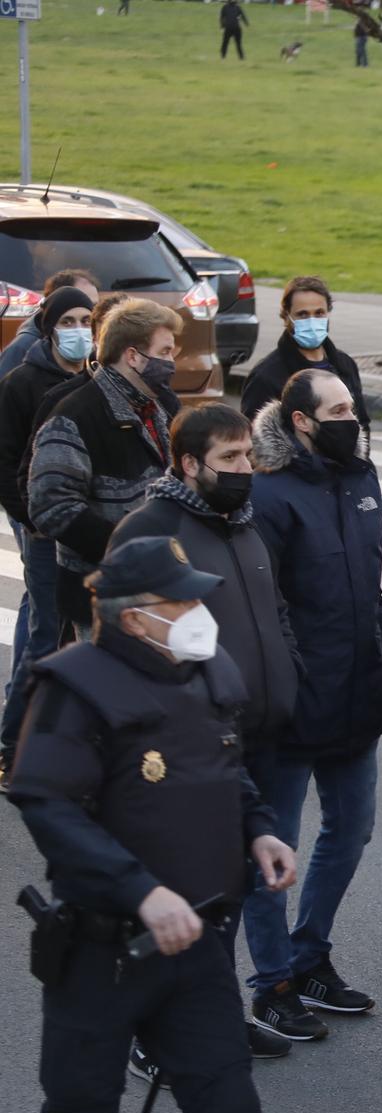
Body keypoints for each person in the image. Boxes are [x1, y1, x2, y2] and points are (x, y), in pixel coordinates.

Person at [6, 536, 335, 1113]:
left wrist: (260, 830)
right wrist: (141, 890)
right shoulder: (75, 686)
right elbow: (45, 802)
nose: (200, 614)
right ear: (136, 617)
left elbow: (228, 769)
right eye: (183, 602)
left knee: (228, 1107)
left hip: (199, 945)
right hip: (103, 948)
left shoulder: (206, 673)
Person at [108, 404, 302, 1062]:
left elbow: (274, 610)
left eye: (248, 455)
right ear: (189, 464)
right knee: (187, 889)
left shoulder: (245, 525)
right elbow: (123, 637)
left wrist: (290, 675)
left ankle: (214, 1012)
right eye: (230, 460)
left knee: (232, 892)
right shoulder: (151, 528)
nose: (246, 470)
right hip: (188, 741)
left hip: (258, 736)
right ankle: (154, 1032)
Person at [242, 371, 382, 1042]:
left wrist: (381, 653)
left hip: (357, 692)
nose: (351, 417)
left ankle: (309, 956)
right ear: (302, 421)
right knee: (278, 847)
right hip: (293, 704)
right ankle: (271, 982)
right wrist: (280, 688)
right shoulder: (269, 494)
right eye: (337, 410)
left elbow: (372, 583)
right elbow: (258, 607)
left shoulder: (363, 479)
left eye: (352, 408)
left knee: (352, 826)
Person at [28, 297, 182, 640]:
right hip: (102, 599)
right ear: (132, 356)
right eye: (166, 351)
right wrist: (125, 548)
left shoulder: (159, 405)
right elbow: (50, 505)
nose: (172, 362)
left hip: (158, 587)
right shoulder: (77, 413)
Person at [0, 285, 98, 779]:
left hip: (84, 533)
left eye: (86, 322)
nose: (79, 332)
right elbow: (5, 465)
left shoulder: (96, 381)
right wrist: (36, 521)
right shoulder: (21, 383)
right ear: (49, 326)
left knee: (82, 639)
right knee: (43, 637)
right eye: (69, 322)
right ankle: (10, 747)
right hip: (43, 535)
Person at [239, 276, 372, 432]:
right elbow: (256, 438)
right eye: (302, 314)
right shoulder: (266, 375)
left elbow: (361, 422)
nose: (312, 321)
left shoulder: (345, 365)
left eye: (319, 313)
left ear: (328, 313)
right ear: (286, 317)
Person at [0, 268, 99, 378]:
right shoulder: (23, 347)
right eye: (80, 301)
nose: (92, 311)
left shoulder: (94, 345)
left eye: (95, 305)